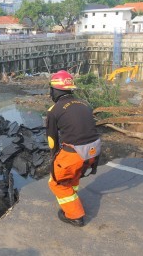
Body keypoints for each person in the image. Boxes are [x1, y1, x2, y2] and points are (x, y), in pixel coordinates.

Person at [46, 70, 101, 227]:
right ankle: (73, 195)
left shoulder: (54, 110)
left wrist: (54, 158)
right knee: (73, 174)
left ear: (54, 90)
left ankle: (75, 215)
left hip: (75, 153)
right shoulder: (84, 104)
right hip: (94, 151)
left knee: (56, 182)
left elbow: (52, 140)